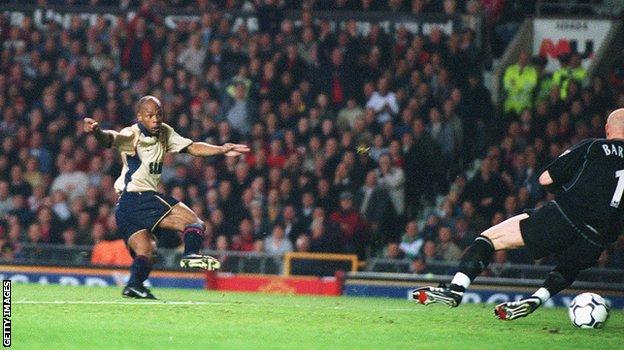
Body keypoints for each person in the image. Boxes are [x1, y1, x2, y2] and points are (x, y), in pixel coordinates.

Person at [414, 108, 624, 320]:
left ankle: (456, 289)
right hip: (598, 237)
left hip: (566, 216)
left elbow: (546, 179)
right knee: (568, 268)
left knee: (488, 239)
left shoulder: (594, 146)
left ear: (607, 128)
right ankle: (537, 299)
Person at [83, 95, 249, 299]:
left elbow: (192, 147)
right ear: (140, 117)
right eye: (150, 115)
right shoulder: (132, 134)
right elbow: (111, 138)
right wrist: (97, 131)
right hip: (140, 197)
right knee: (195, 223)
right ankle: (191, 255)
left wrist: (222, 149)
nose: (155, 119)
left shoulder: (165, 132)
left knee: (148, 251)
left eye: (158, 114)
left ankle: (134, 285)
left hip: (125, 207)